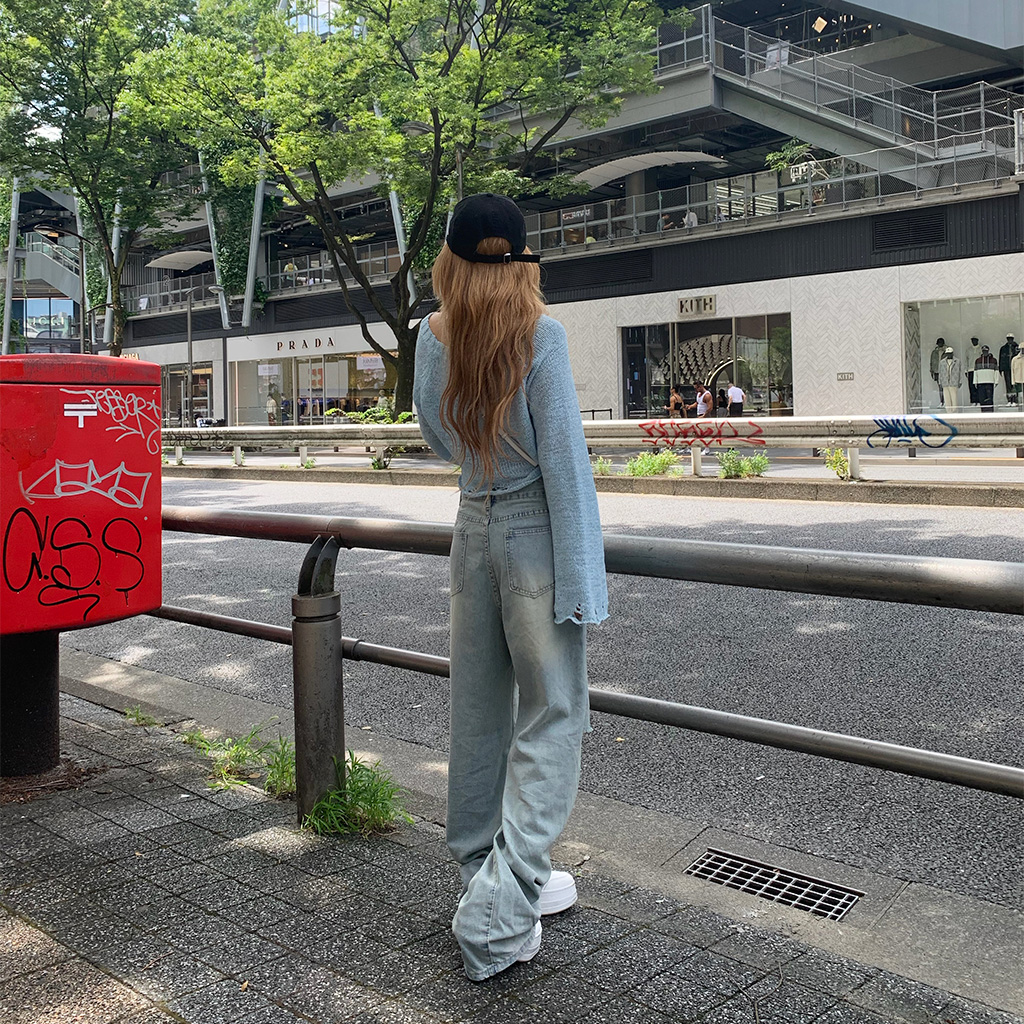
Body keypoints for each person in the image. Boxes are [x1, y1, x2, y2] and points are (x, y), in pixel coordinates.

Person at [413, 193, 608, 981]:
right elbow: (564, 460)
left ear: (449, 260)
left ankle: (483, 874)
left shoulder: (432, 335)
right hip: (535, 534)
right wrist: (584, 578)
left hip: (472, 527)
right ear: (523, 260)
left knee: (478, 711)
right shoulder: (541, 335)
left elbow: (434, 434)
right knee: (554, 713)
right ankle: (501, 910)